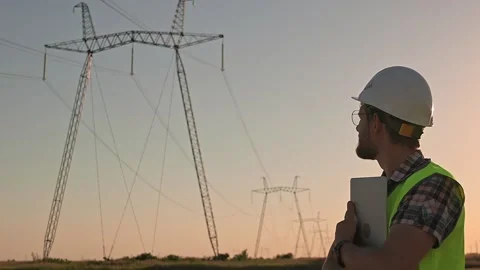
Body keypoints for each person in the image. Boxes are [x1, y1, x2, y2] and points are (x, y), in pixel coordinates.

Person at [322, 66, 466, 270]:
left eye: (361, 116)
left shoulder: (436, 186)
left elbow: (393, 264)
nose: (357, 126)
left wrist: (342, 246)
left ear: (376, 123)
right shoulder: (379, 193)